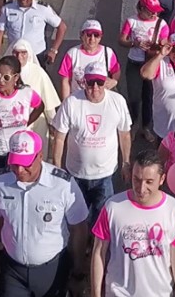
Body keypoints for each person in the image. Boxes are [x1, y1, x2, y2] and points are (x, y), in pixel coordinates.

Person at [0, 130, 89, 297]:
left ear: (40, 156)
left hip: (52, 271)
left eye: (26, 164)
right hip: (12, 270)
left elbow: (79, 228)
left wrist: (78, 270)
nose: (19, 170)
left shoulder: (63, 185)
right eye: (14, 163)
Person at [90, 150, 175, 297]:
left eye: (149, 182)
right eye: (136, 179)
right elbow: (99, 253)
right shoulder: (112, 207)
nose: (141, 188)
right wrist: (95, 293)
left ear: (162, 179)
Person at [50, 63, 132, 225]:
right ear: (83, 82)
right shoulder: (71, 102)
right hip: (76, 173)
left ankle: (95, 248)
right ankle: (80, 247)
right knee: (77, 219)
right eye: (90, 82)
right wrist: (57, 168)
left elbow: (124, 134)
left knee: (102, 219)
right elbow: (59, 138)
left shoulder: (118, 102)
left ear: (106, 82)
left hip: (105, 174)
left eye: (100, 82)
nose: (95, 87)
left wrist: (126, 162)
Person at [0, 55, 44, 184]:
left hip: (17, 154)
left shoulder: (27, 93)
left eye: (6, 77)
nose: (1, 81)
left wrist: (26, 123)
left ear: (16, 77)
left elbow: (40, 106)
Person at [120, 0, 169, 142]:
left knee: (149, 97)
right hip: (134, 63)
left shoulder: (162, 24)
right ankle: (133, 124)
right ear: (142, 8)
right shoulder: (132, 21)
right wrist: (134, 44)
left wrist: (157, 47)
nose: (154, 14)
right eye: (151, 11)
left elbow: (164, 43)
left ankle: (146, 127)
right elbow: (122, 40)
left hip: (152, 64)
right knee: (134, 97)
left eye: (156, 11)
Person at [0, 0, 67, 67]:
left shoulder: (43, 9)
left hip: (36, 56)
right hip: (15, 55)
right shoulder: (8, 8)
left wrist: (54, 50)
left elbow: (62, 27)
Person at [8, 41, 62, 154]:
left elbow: (48, 103)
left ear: (29, 54)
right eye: (16, 53)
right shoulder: (5, 71)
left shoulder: (38, 72)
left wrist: (53, 123)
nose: (19, 57)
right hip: (11, 124)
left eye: (23, 53)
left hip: (36, 124)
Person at [57, 19, 120, 100]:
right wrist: (66, 102)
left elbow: (116, 70)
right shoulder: (72, 54)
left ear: (100, 37)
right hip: (78, 99)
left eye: (96, 35)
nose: (92, 39)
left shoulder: (108, 53)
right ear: (82, 35)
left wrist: (114, 81)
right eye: (89, 35)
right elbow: (65, 80)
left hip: (100, 99)